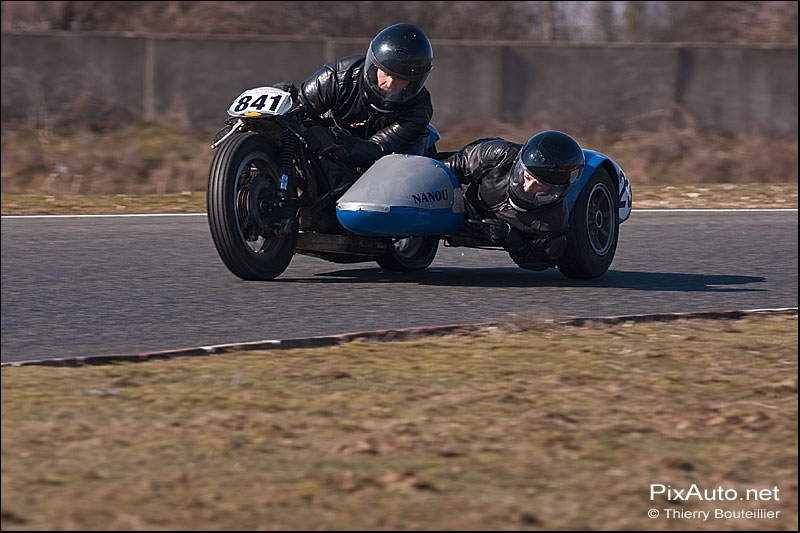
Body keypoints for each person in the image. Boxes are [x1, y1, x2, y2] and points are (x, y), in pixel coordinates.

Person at [286, 23, 435, 187]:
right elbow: (298, 106)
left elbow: (380, 149)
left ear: (414, 82)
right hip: (330, 147)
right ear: (373, 65)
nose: (390, 83)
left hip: (386, 168)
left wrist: (338, 143)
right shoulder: (337, 77)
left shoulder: (419, 109)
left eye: (401, 79)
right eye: (385, 73)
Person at [439, 130, 585, 270]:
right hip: (456, 197)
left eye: (540, 186)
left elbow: (539, 263)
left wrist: (508, 237)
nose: (527, 188)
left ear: (557, 191)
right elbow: (441, 169)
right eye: (527, 177)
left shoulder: (552, 223)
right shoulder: (497, 155)